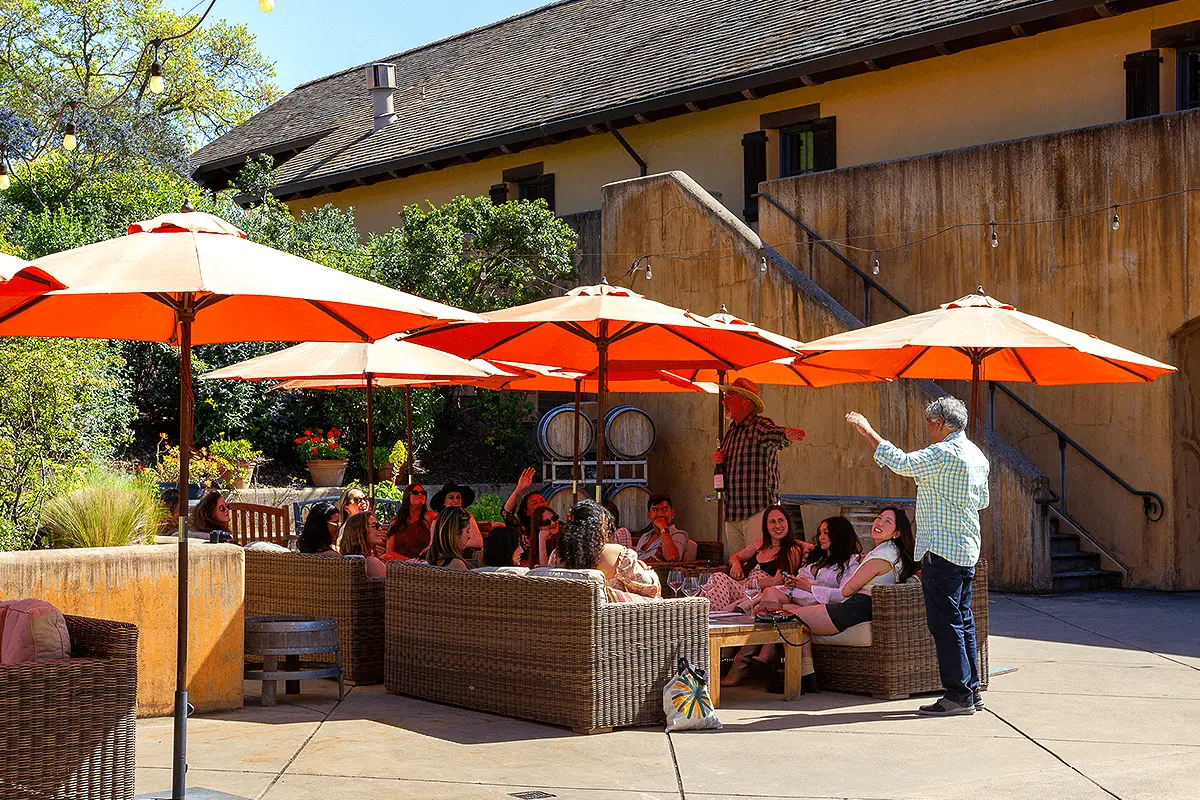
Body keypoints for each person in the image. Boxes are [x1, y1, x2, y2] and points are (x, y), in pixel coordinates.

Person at [846, 396, 990, 717]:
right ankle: (971, 690)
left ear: (939, 423)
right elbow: (981, 501)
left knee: (946, 623)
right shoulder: (976, 455)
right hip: (966, 547)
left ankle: (957, 695)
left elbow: (901, 463)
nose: (926, 428)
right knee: (963, 621)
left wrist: (868, 431)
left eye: (929, 422)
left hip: (941, 549)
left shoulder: (943, 452)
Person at [754, 507, 918, 636]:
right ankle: (806, 675)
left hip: (855, 608)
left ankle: (751, 661)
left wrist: (809, 586)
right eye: (879, 518)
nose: (879, 523)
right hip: (859, 606)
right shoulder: (887, 554)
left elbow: (847, 590)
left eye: (887, 521)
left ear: (897, 533)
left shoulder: (880, 558)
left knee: (788, 618)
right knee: (783, 613)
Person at [703, 505, 808, 686]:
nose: (777, 526)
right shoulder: (760, 545)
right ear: (766, 526)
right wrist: (735, 564)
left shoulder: (791, 550)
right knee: (717, 579)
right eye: (772, 521)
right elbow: (735, 556)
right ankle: (710, 629)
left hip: (761, 594)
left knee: (718, 578)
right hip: (744, 590)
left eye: (781, 521)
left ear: (788, 524)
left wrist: (750, 584)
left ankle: (711, 633)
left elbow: (778, 581)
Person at [711, 377, 807, 557]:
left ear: (745, 403)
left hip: (757, 512)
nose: (724, 401)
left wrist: (787, 434)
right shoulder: (732, 430)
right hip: (733, 512)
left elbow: (775, 435)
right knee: (738, 566)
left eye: (730, 396)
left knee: (760, 563)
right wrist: (718, 461)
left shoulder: (759, 426)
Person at [554, 500, 660, 603]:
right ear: (599, 528)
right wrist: (647, 570)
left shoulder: (557, 556)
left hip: (569, 617)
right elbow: (651, 590)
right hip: (613, 619)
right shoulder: (618, 555)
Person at [634, 494, 692, 563]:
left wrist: (663, 528)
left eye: (665, 509)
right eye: (655, 510)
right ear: (649, 515)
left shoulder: (679, 535)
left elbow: (672, 557)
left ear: (672, 513)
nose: (660, 514)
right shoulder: (645, 537)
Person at [386, 483, 436, 559]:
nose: (420, 494)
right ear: (407, 496)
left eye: (423, 493)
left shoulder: (430, 517)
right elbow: (389, 551)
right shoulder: (396, 522)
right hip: (401, 563)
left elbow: (438, 543)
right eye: (415, 492)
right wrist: (410, 561)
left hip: (424, 564)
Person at [338, 512, 387, 577]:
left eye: (379, 525)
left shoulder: (347, 560)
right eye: (375, 526)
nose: (380, 529)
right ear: (361, 531)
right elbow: (391, 584)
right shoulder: (371, 562)